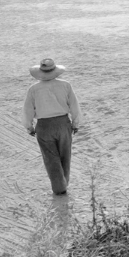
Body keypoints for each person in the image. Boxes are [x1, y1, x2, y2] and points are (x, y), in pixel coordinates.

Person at [24, 59, 82, 195]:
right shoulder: (66, 85)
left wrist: (29, 127)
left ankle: (59, 188)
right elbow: (74, 106)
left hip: (44, 126)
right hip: (63, 123)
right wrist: (75, 123)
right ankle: (64, 183)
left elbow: (27, 111)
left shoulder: (33, 89)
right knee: (65, 155)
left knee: (50, 158)